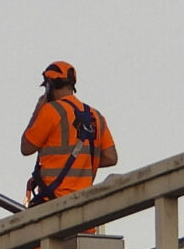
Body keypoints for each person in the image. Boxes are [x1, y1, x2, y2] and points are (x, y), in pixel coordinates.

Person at [20, 60, 117, 202]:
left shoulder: (51, 111)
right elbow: (110, 157)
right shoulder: (96, 116)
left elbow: (26, 148)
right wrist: (79, 165)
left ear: (50, 86)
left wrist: (37, 110)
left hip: (53, 206)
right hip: (84, 204)